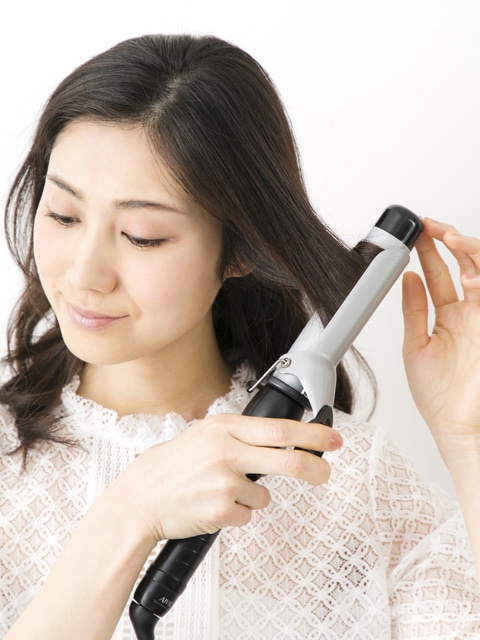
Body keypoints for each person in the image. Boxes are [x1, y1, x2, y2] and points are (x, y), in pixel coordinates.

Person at [0, 33, 478, 640]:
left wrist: (469, 438)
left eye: (143, 235)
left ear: (241, 249)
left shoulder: (356, 484)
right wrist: (128, 513)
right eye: (63, 215)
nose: (84, 274)